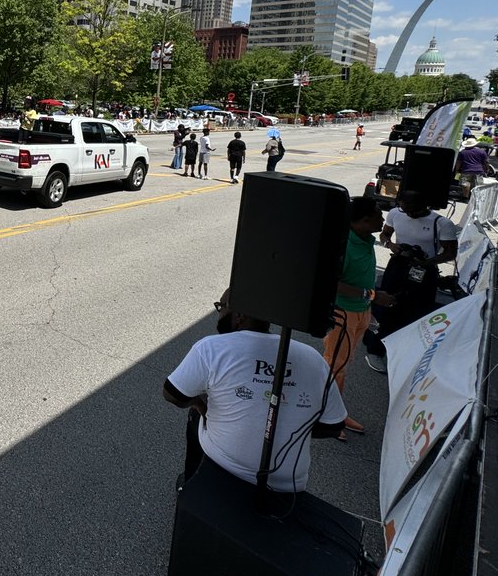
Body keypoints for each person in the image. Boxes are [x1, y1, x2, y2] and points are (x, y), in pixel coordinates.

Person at [163, 290, 346, 493]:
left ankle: (192, 486)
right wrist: (285, 427)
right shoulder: (312, 357)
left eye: (221, 307)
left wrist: (200, 405)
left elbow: (172, 394)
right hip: (289, 484)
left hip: (227, 468)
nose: (219, 313)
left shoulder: (211, 348)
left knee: (197, 412)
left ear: (239, 316)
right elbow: (334, 426)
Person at [365, 190, 458, 372]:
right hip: (398, 265)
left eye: (413, 210)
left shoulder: (442, 223)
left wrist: (427, 261)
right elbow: (384, 235)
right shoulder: (395, 214)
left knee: (417, 311)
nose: (408, 214)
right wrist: (392, 245)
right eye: (404, 209)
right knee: (384, 306)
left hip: (425, 269)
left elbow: (450, 252)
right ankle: (374, 350)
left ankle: (407, 353)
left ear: (425, 205)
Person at [323, 198, 384, 439]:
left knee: (343, 362)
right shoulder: (345, 245)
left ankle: (329, 409)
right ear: (364, 220)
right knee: (335, 365)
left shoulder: (366, 240)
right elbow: (333, 283)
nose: (383, 219)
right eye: (379, 215)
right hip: (343, 313)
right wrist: (371, 295)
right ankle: (329, 417)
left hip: (361, 312)